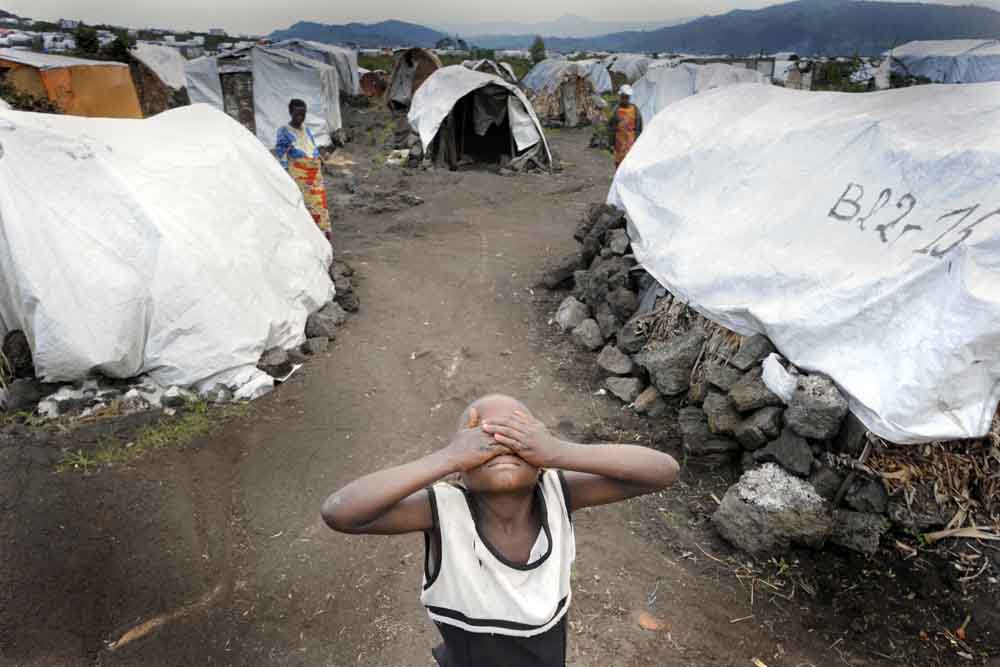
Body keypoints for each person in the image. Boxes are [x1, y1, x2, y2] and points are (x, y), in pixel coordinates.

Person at [322, 394, 679, 667]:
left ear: (540, 462)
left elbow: (663, 471)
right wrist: (447, 457)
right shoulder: (443, 511)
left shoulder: (559, 492)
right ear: (461, 467)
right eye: (483, 440)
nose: (501, 446)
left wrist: (560, 451)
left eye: (518, 437)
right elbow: (341, 512)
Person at [275, 99, 331, 236]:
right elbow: (281, 154)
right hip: (300, 175)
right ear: (290, 112)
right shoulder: (284, 131)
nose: (300, 118)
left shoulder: (306, 130)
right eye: (297, 114)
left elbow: (312, 147)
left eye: (303, 114)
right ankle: (312, 235)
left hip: (315, 174)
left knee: (320, 203)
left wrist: (319, 159)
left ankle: (323, 233)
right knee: (307, 205)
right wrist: (285, 173)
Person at [608, 84, 643, 168]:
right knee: (619, 162)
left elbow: (639, 127)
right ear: (620, 97)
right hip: (619, 142)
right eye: (622, 97)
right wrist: (611, 143)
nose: (624, 99)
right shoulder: (616, 110)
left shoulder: (635, 110)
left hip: (630, 142)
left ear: (629, 98)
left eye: (626, 97)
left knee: (629, 162)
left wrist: (637, 141)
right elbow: (611, 127)